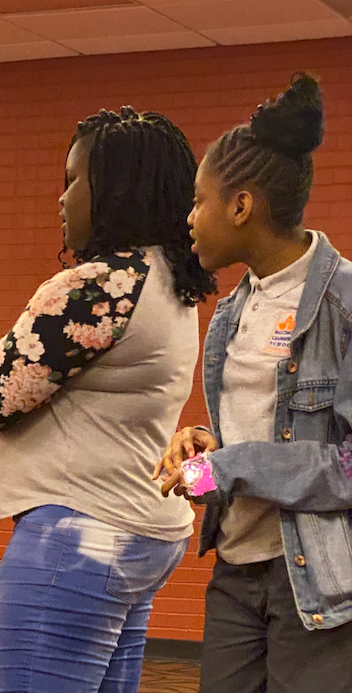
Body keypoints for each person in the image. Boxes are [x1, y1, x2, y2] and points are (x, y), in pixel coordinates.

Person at [0, 108, 216, 692]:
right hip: (140, 530)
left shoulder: (100, 285)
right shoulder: (170, 282)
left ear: (115, 190)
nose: (61, 199)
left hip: (77, 532)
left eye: (73, 180)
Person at [155, 73, 352, 693]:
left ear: (241, 205)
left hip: (316, 578)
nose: (189, 219)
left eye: (198, 201)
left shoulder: (343, 303)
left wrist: (230, 467)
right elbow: (271, 428)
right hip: (236, 569)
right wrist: (206, 444)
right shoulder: (233, 311)